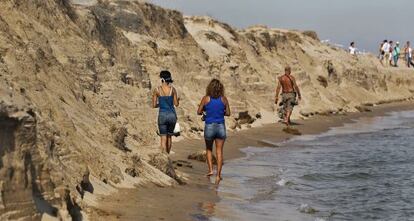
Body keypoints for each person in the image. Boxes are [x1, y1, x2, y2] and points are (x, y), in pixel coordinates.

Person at [197, 79, 230, 185]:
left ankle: (211, 170)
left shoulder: (206, 99)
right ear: (221, 88)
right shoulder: (224, 99)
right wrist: (221, 112)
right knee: (219, 151)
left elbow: (198, 112)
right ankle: (218, 176)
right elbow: (228, 113)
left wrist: (206, 113)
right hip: (220, 126)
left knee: (209, 149)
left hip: (210, 126)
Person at [152, 70, 179, 154]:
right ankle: (168, 154)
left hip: (162, 115)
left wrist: (160, 104)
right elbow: (176, 104)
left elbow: (153, 105)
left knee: (163, 138)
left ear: (162, 79)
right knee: (170, 137)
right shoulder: (173, 89)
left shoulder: (157, 90)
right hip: (172, 115)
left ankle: (164, 157)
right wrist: (178, 100)